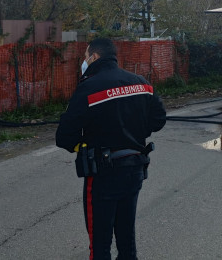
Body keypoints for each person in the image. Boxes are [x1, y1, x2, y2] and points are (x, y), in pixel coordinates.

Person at [56, 38, 166, 260]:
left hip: (103, 174)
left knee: (100, 244)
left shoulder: (88, 88)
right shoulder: (141, 83)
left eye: (86, 56)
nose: (84, 61)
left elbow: (64, 136)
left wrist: (82, 144)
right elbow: (159, 119)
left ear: (94, 57)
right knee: (126, 239)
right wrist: (134, 133)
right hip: (135, 169)